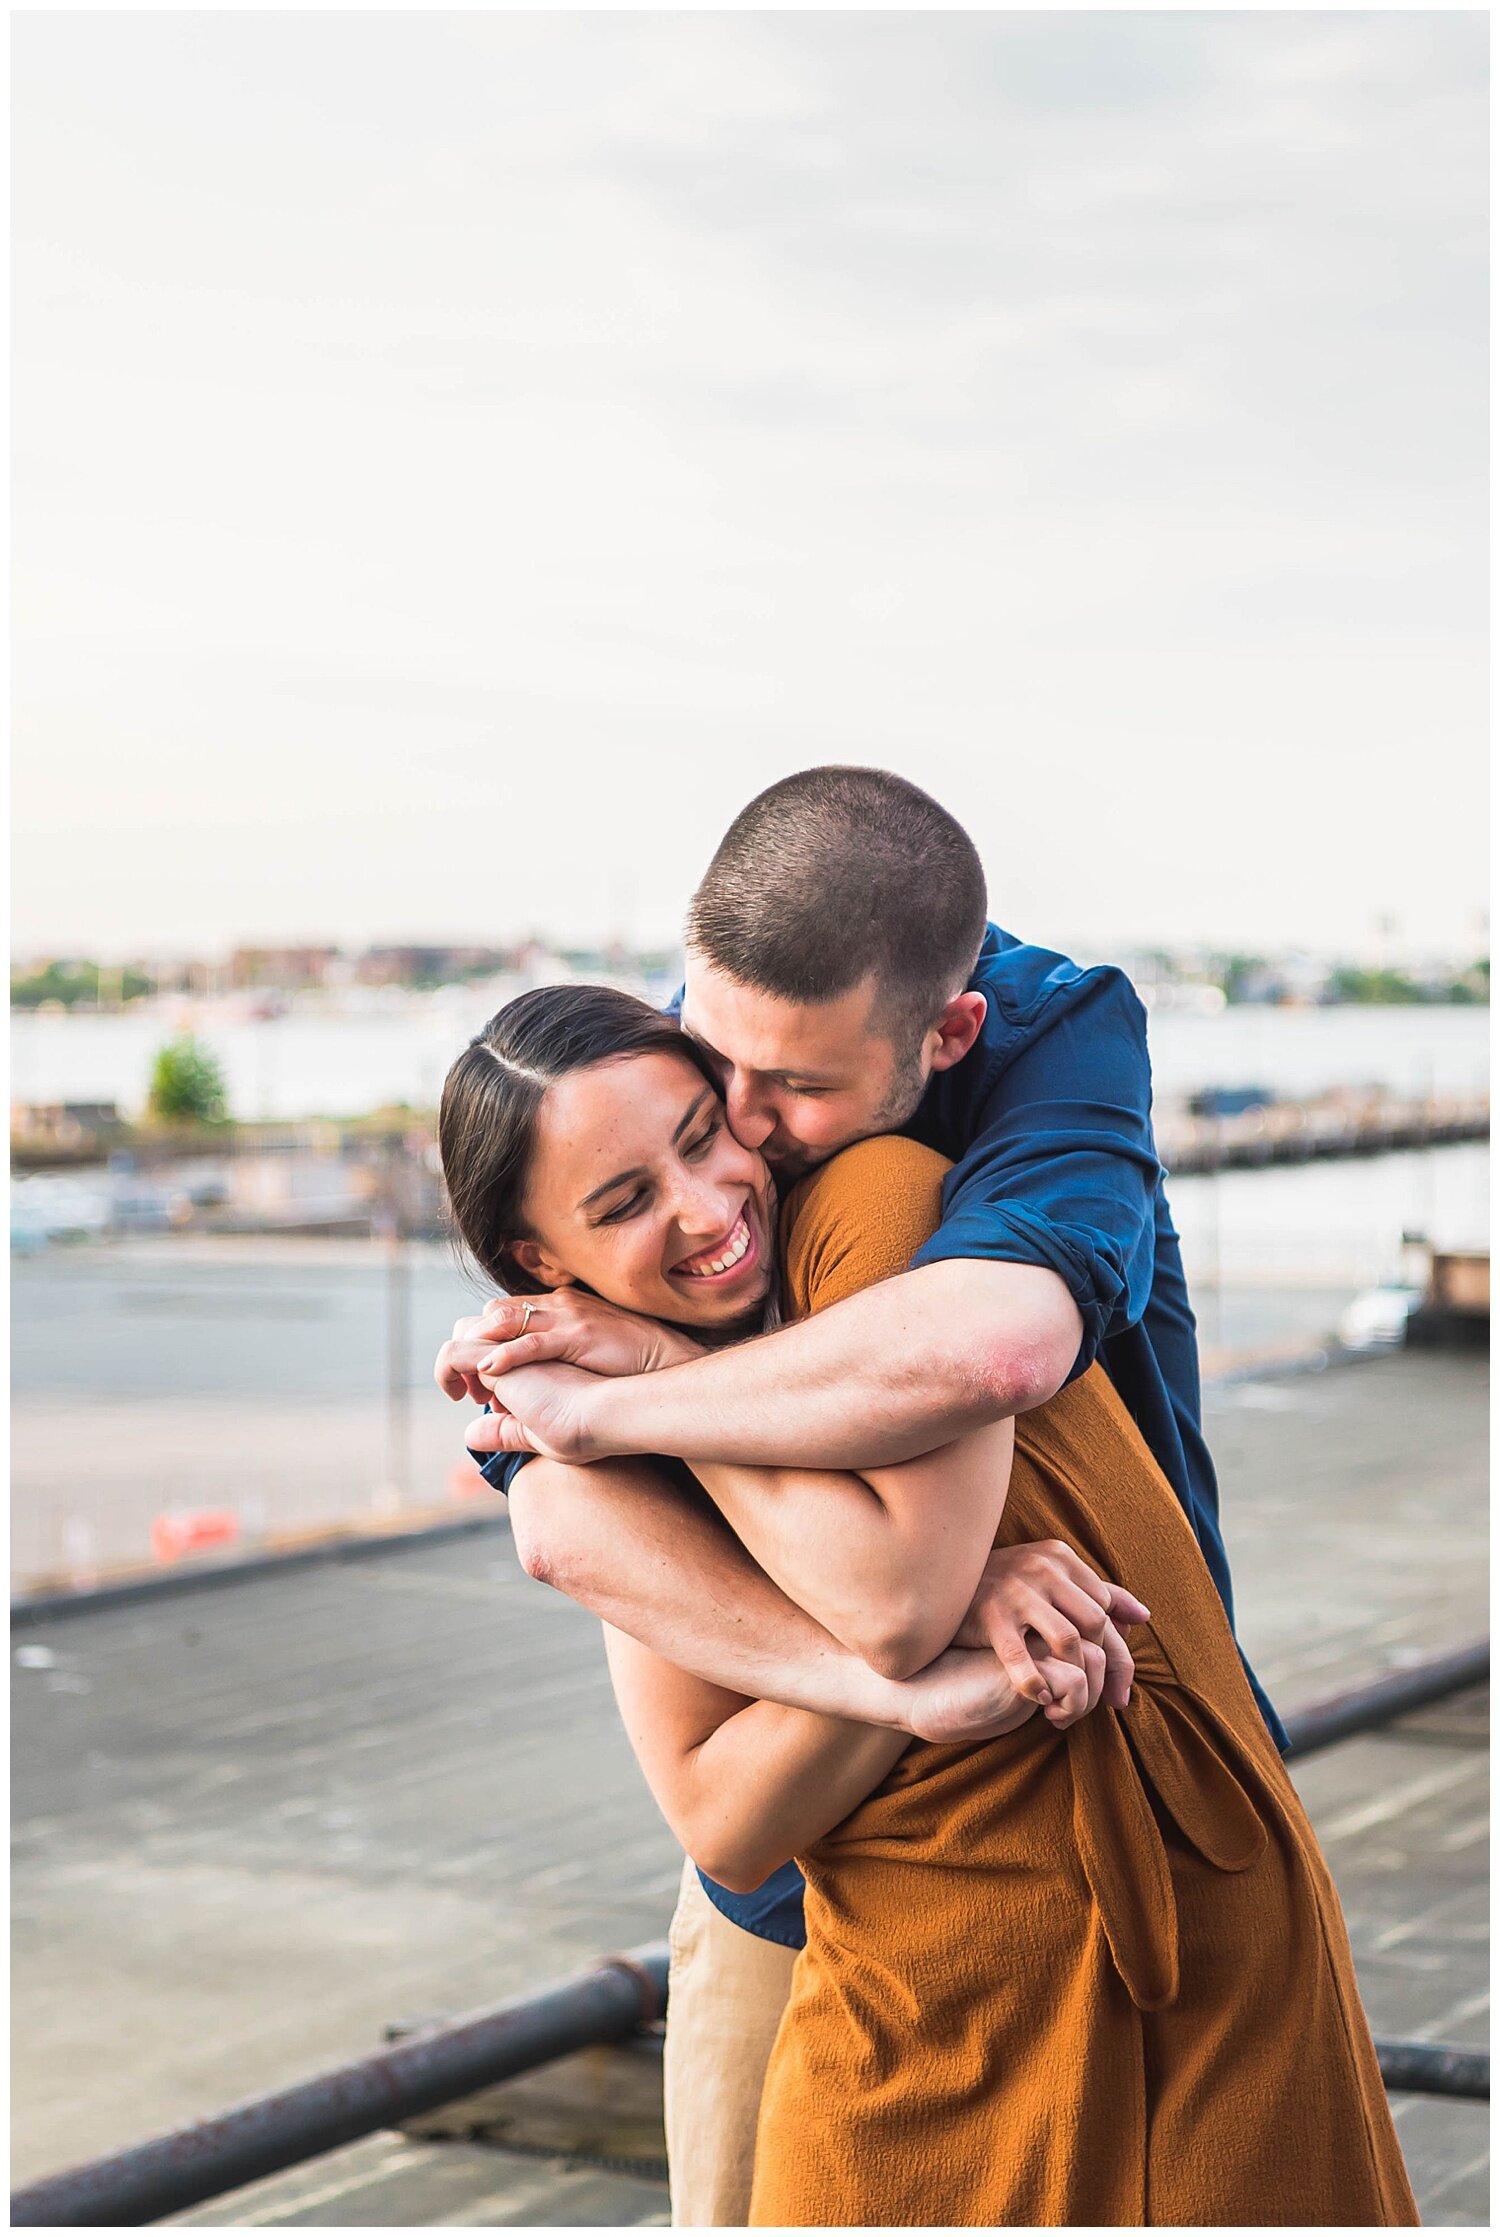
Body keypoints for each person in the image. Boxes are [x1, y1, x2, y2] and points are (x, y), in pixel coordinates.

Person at [438, 768, 1286, 2220]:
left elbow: (992, 1349)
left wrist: (634, 1387)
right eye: (720, 1071)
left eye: (786, 1094)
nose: (741, 1143)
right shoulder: (650, 1085)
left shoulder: (1032, 1057)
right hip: (808, 1911)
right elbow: (557, 1518)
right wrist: (910, 1666)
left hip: (1125, 1797)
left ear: (942, 1034)